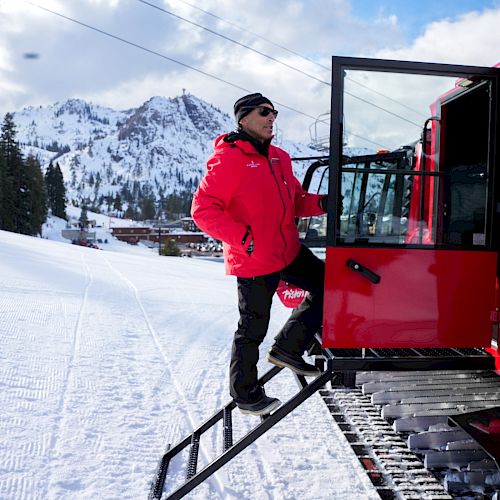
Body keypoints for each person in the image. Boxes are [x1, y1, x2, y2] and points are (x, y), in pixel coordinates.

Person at [191, 93, 327, 416]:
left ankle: (289, 345)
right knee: (252, 327)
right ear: (244, 119)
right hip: (253, 259)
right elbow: (202, 209)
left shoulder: (279, 157)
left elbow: (295, 200)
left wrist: (320, 204)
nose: (271, 118)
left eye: (274, 112)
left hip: (287, 251)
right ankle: (245, 393)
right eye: (264, 112)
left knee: (329, 283)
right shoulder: (230, 159)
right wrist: (243, 239)